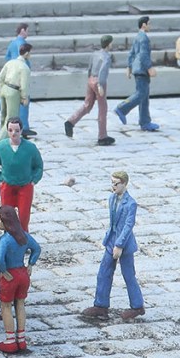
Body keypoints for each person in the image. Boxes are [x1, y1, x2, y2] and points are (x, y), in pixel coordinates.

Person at [80, 171, 145, 321]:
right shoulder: (111, 198)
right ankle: (101, 305)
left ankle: (137, 306)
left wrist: (119, 245)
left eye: (116, 183)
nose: (113, 186)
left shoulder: (131, 203)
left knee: (128, 275)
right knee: (104, 272)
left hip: (124, 244)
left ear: (124, 184)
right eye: (112, 183)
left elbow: (128, 226)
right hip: (111, 240)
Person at [0, 205, 40, 353]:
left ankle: (10, 340)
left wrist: (3, 271)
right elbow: (37, 248)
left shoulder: (4, 240)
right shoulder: (24, 236)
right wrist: (31, 264)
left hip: (10, 276)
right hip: (22, 273)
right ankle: (21, 338)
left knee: (6, 306)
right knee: (20, 304)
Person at [0, 116, 43, 231]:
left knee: (24, 215)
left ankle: (23, 238)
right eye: (10, 130)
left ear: (21, 131)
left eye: (17, 130)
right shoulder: (1, 147)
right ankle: (8, 237)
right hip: (7, 185)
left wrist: (33, 180)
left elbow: (38, 166)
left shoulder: (30, 148)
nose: (14, 133)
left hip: (25, 186)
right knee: (6, 215)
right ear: (7, 131)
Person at [0, 23, 34, 136]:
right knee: (23, 100)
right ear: (22, 30)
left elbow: (7, 57)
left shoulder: (12, 43)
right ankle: (24, 127)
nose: (28, 33)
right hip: (19, 75)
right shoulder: (22, 44)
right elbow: (24, 60)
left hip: (10, 73)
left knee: (8, 101)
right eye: (27, 30)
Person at [65, 34, 115, 146]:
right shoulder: (106, 57)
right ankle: (102, 135)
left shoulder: (95, 54)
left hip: (91, 79)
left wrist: (90, 79)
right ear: (108, 44)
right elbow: (103, 71)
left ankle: (71, 121)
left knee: (87, 105)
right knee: (102, 108)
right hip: (98, 82)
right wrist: (100, 85)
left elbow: (90, 67)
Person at [114, 15, 158, 131]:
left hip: (137, 68)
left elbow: (131, 53)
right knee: (141, 94)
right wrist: (149, 68)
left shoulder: (137, 37)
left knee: (144, 97)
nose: (150, 26)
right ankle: (122, 108)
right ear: (144, 24)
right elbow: (143, 55)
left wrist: (129, 67)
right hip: (142, 70)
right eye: (149, 24)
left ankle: (145, 121)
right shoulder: (143, 38)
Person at [0, 45, 32, 143]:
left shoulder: (10, 63)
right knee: (11, 118)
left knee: (3, 116)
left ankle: (4, 139)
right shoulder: (24, 68)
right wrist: (24, 97)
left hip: (4, 88)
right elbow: (24, 85)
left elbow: (1, 77)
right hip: (13, 91)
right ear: (27, 53)